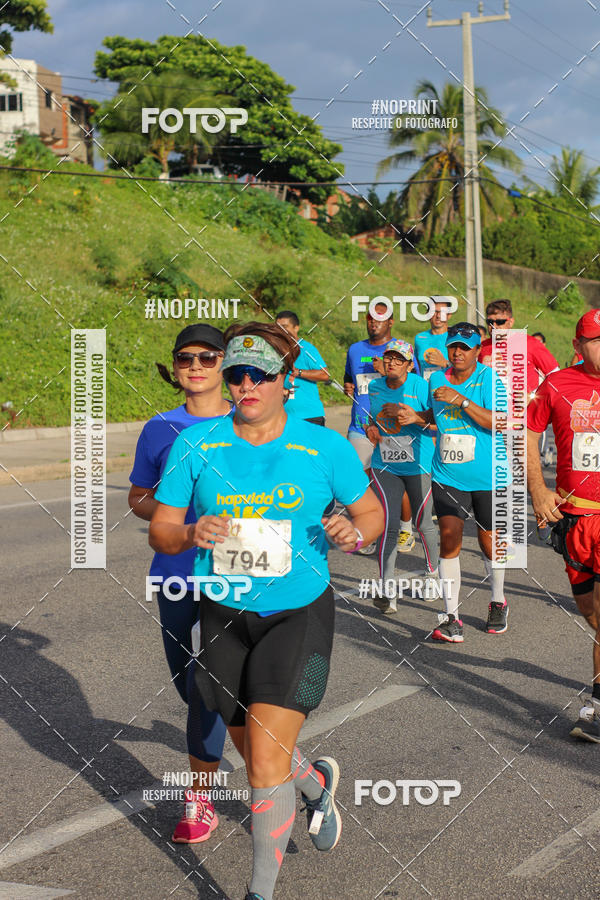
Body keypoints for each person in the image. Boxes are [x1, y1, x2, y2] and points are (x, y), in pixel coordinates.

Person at [149, 321, 384, 900]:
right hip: (222, 612)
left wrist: (351, 532)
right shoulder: (195, 445)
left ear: (286, 381)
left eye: (260, 375)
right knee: (253, 745)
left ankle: (258, 893)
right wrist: (189, 531)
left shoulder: (322, 445)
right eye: (236, 374)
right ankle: (315, 783)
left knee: (262, 766)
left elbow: (372, 514)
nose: (246, 384)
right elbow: (159, 530)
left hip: (296, 612)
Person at [128, 324, 232, 842]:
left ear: (223, 364)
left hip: (231, 574)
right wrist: (174, 516)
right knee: (186, 683)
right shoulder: (159, 428)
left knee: (207, 687)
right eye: (185, 357)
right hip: (173, 572)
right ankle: (289, 765)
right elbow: (139, 497)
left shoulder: (248, 422)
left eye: (207, 357)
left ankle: (201, 799)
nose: (195, 365)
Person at [396, 322, 510, 642]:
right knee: (449, 540)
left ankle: (498, 600)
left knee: (489, 542)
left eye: (465, 347)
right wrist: (417, 418)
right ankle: (451, 618)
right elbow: (435, 416)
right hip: (447, 474)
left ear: (477, 351)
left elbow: (500, 422)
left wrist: (461, 400)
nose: (457, 352)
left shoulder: (489, 378)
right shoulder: (435, 379)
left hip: (487, 476)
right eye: (453, 346)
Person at [527, 309, 600, 742]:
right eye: (596, 339)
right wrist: (538, 488)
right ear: (577, 346)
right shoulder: (555, 385)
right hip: (574, 521)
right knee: (589, 613)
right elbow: (526, 433)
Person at [366, 340, 439, 614]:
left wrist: (415, 418)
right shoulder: (375, 387)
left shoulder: (421, 386)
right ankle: (386, 588)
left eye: (399, 359)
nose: (392, 363)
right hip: (385, 464)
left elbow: (437, 423)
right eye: (389, 358)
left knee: (423, 524)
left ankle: (432, 576)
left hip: (419, 464)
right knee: (389, 524)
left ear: (410, 364)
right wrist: (370, 428)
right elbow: (370, 418)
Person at [344, 303, 417, 554]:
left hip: (393, 428)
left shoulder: (401, 350)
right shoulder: (355, 350)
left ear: (391, 322)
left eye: (380, 318)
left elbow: (413, 385)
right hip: (360, 426)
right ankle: (371, 529)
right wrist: (348, 387)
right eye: (370, 318)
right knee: (361, 481)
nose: (374, 323)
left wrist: (385, 370)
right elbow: (348, 378)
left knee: (396, 479)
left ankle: (406, 527)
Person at [479, 298, 559, 401]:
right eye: (490, 322)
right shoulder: (482, 347)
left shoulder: (529, 343)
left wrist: (533, 396)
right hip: (491, 411)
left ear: (511, 322)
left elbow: (555, 374)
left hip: (523, 412)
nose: (494, 326)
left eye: (500, 322)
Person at [275, 310, 330, 425]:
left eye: (285, 327)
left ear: (296, 328)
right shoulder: (274, 350)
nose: (281, 331)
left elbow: (324, 374)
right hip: (283, 418)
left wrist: (299, 372)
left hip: (309, 416)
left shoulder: (306, 349)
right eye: (278, 327)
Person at [414, 297, 454, 383]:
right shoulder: (419, 338)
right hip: (425, 390)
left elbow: (468, 368)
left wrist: (445, 363)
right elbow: (416, 368)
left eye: (442, 312)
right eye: (434, 312)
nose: (438, 316)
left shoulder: (455, 337)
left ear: (449, 315)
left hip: (449, 388)